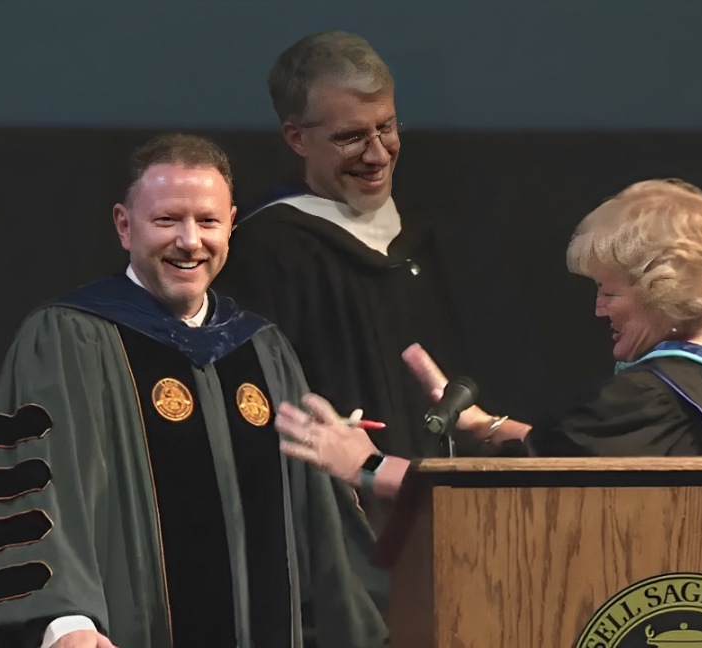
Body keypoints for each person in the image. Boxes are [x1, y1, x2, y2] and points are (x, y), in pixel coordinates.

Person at [0, 134, 387, 648]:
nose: (190, 241)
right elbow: (33, 492)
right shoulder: (68, 339)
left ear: (230, 223)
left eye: (207, 221)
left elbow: (319, 522)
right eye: (166, 220)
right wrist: (66, 624)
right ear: (124, 225)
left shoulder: (263, 350)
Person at [276, 179, 702, 499]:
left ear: (661, 290)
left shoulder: (647, 398)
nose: (598, 309)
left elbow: (512, 491)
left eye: (608, 291)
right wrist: (484, 425)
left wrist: (366, 466)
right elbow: (584, 454)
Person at [213, 31, 516, 526]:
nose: (377, 155)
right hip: (333, 532)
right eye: (350, 137)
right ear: (297, 138)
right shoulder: (266, 252)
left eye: (387, 128)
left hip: (449, 519)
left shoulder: (432, 244)